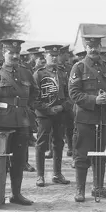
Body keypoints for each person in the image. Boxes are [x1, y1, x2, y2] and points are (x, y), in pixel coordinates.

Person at [0, 38, 38, 205]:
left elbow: (35, 93)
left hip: (22, 123)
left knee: (19, 161)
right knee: (1, 162)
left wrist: (30, 109)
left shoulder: (26, 73)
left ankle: (16, 194)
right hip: (2, 124)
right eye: (10, 53)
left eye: (17, 53)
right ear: (4, 54)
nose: (14, 56)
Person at [68, 35, 106, 202]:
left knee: (100, 155)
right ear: (86, 47)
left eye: (96, 46)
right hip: (85, 118)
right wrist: (94, 100)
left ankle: (98, 188)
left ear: (100, 46)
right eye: (90, 46)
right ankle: (80, 190)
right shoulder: (78, 67)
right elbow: (74, 93)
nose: (93, 49)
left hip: (103, 117)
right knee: (82, 155)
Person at [33, 45, 72, 187]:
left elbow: (70, 94)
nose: (54, 58)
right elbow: (34, 98)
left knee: (59, 143)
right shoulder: (38, 74)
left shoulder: (63, 73)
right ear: (45, 56)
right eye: (51, 55)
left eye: (56, 55)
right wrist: (48, 109)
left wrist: (62, 107)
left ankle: (57, 173)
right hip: (44, 114)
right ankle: (40, 175)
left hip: (60, 113)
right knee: (41, 144)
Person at [58, 45, 75, 157]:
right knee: (57, 129)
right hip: (57, 102)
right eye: (66, 54)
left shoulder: (70, 68)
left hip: (69, 102)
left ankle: (71, 148)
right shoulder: (53, 69)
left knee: (70, 127)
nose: (68, 56)